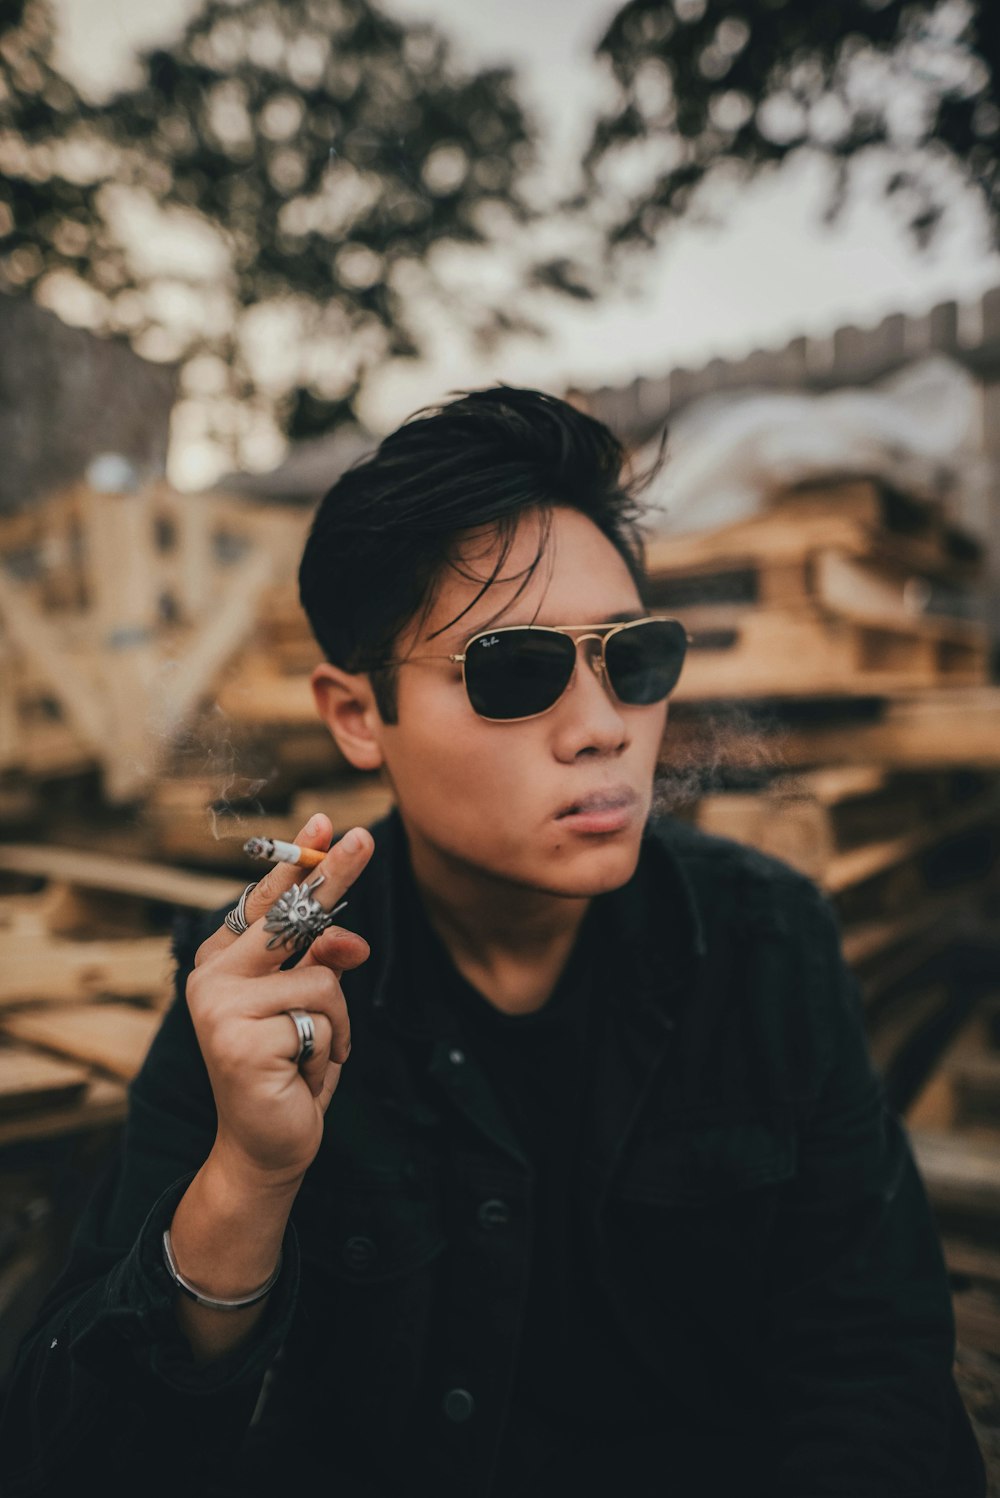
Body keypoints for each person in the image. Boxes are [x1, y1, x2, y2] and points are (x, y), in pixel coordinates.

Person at [0, 387, 986, 1498]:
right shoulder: (267, 984)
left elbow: (872, 1374)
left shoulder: (764, 943)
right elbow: (69, 1456)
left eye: (634, 658)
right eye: (515, 669)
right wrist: (246, 1178)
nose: (603, 726)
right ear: (356, 715)